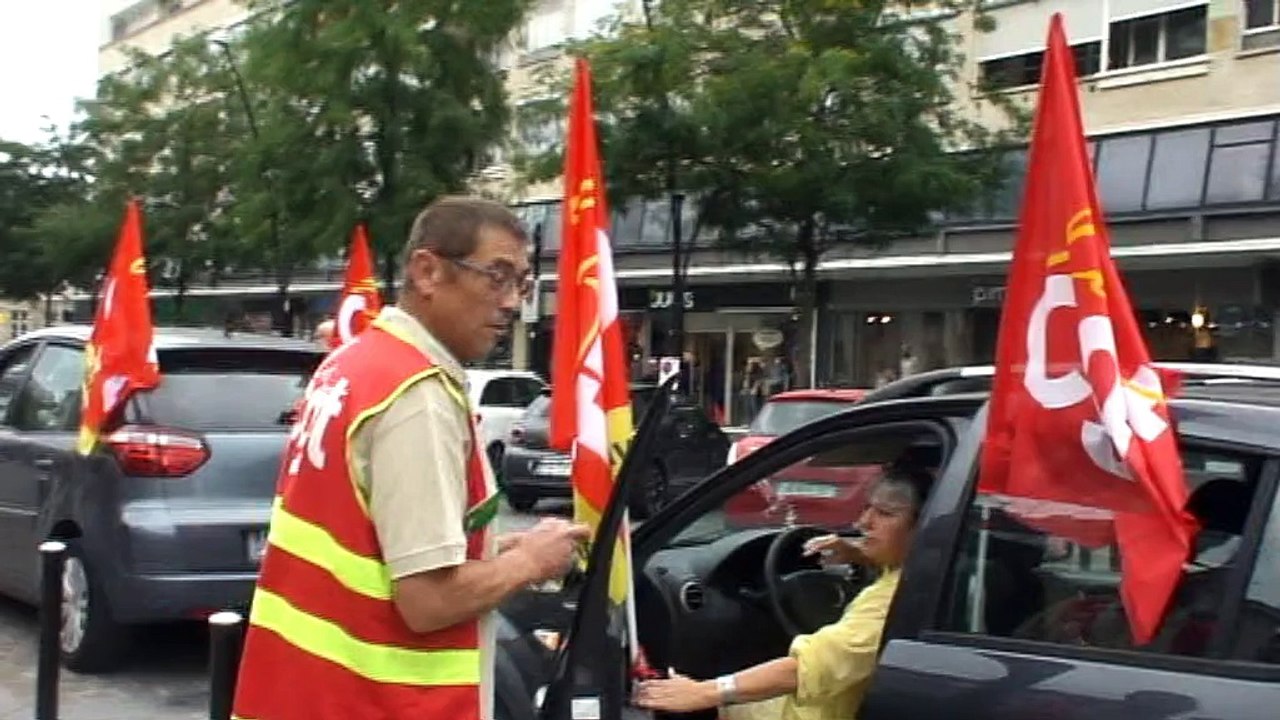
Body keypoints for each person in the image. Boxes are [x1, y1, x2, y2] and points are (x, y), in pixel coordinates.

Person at [232, 197, 591, 720]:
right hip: (377, 702)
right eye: (496, 276)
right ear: (428, 271)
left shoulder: (354, 364)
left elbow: (368, 537)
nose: (513, 301)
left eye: (522, 282)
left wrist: (491, 548)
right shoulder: (415, 394)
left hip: (302, 691)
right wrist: (528, 562)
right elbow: (428, 601)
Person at [634, 466, 933, 720]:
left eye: (885, 513)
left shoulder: (891, 601)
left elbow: (803, 670)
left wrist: (703, 692)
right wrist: (861, 555)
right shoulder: (919, 573)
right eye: (867, 507)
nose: (863, 522)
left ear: (925, 526)